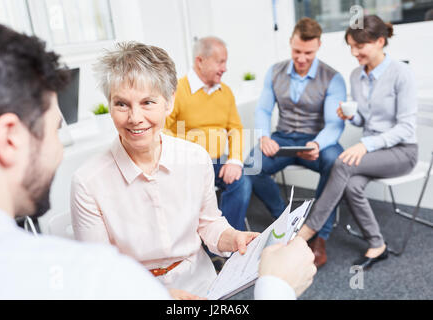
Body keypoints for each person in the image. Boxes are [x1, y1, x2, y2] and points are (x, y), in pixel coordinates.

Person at [0, 21, 316, 300]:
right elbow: (103, 272)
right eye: (121, 104)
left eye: (147, 102)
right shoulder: (88, 181)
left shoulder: (195, 157)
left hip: (203, 283)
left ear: (169, 102)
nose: (134, 118)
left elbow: (209, 223)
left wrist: (233, 238)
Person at [298, 15, 418, 270]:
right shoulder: (356, 75)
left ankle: (306, 232)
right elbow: (367, 119)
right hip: (375, 149)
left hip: (402, 152)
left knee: (342, 163)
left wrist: (366, 145)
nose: (354, 52)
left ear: (379, 42)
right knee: (352, 185)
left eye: (360, 46)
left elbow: (406, 128)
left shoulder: (401, 74)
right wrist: (352, 116)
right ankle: (378, 245)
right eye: (351, 46)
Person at [247, 17, 346, 268]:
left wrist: (318, 145)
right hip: (281, 139)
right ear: (291, 44)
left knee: (336, 163)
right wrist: (264, 136)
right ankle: (287, 220)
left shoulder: (333, 78)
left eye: (308, 53)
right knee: (252, 164)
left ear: (319, 46)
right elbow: (263, 110)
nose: (301, 58)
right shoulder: (275, 71)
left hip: (315, 141)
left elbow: (334, 124)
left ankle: (318, 235)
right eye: (297, 51)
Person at [165, 37, 251, 231]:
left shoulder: (225, 92)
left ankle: (226, 245)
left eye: (225, 62)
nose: (225, 68)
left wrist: (235, 160)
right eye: (220, 62)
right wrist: (192, 149)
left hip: (217, 161)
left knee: (242, 182)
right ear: (200, 61)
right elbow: (163, 129)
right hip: (187, 163)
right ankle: (203, 243)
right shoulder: (177, 91)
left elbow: (235, 128)